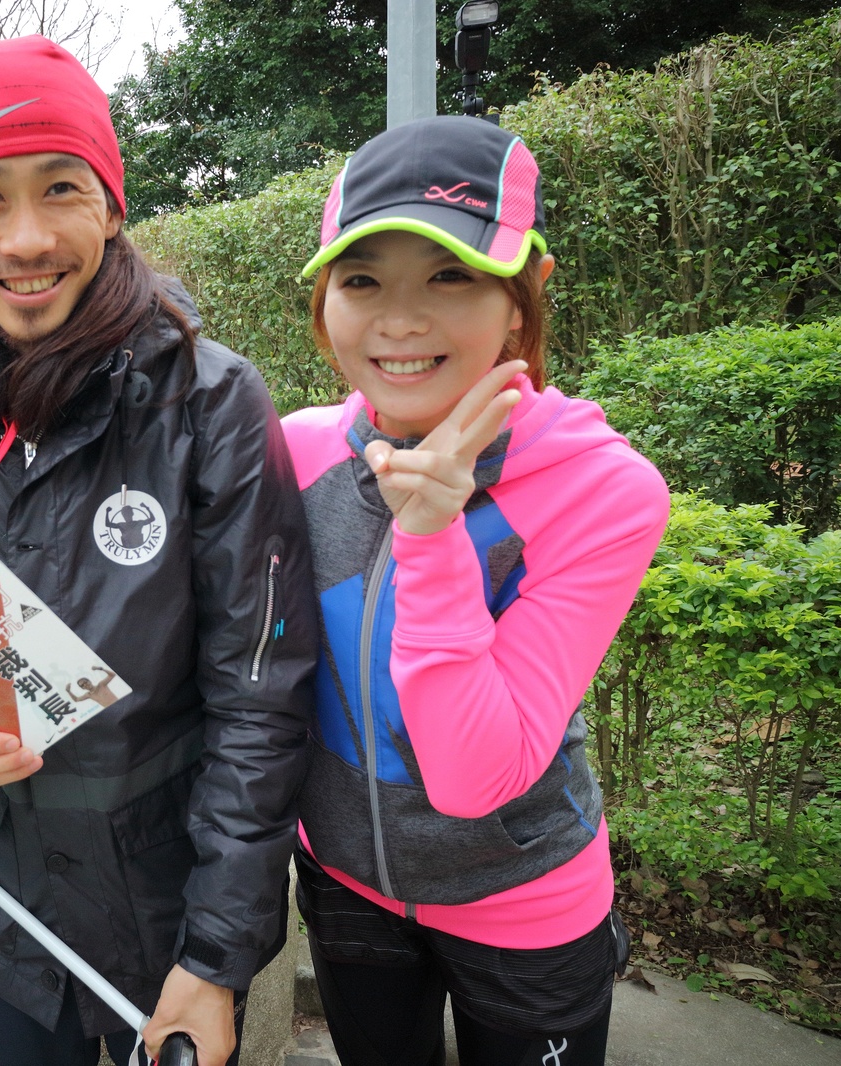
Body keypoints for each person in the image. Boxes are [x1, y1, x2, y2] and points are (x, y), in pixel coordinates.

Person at [0, 36, 317, 1066]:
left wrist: (217, 955)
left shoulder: (208, 402)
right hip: (4, 899)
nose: (26, 238)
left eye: (60, 187)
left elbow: (261, 695)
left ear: (110, 206)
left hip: (170, 902)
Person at [281, 116, 671, 1066]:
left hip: (525, 905)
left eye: (450, 276)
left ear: (522, 298)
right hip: (343, 881)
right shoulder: (292, 451)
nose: (400, 320)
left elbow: (470, 780)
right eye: (361, 281)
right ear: (325, 303)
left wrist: (431, 535)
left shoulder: (603, 490)